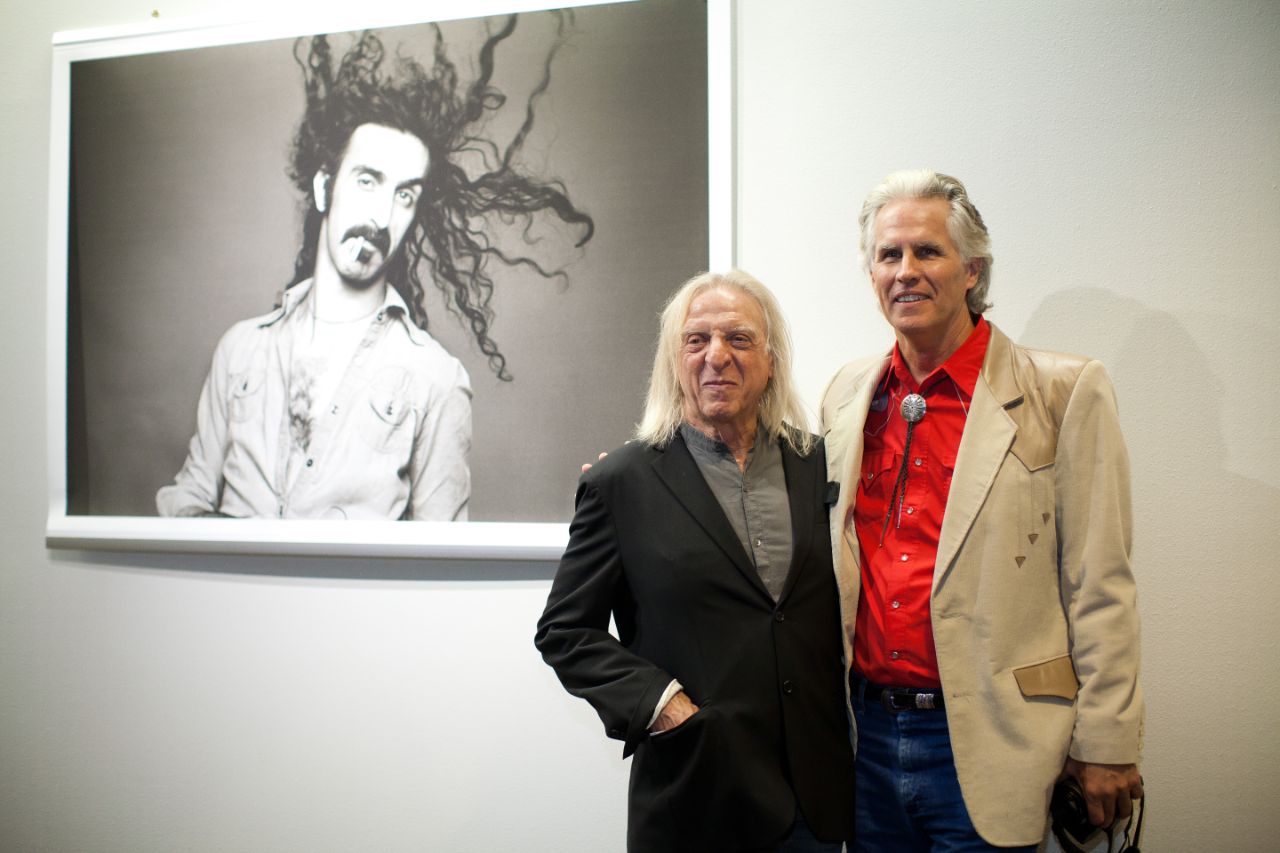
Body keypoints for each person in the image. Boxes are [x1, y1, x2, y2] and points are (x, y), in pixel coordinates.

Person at [821, 170, 1143, 850]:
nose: (905, 272)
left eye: (926, 252)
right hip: (865, 739)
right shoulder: (847, 394)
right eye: (888, 255)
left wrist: (1108, 740)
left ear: (972, 268)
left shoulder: (1064, 392)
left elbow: (1100, 583)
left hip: (996, 741)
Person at [156, 23, 593, 520]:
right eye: (367, 180)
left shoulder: (435, 379)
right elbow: (188, 497)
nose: (382, 217)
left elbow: (439, 556)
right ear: (325, 188)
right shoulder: (240, 350)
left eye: (404, 195)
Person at [536, 271, 856, 852]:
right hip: (695, 795)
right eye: (696, 340)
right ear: (673, 361)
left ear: (771, 360)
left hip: (814, 800)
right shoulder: (621, 482)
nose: (717, 357)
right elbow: (564, 631)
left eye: (738, 338)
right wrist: (662, 706)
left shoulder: (818, 466)